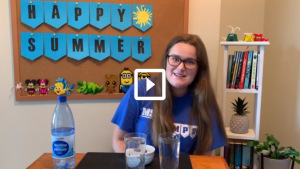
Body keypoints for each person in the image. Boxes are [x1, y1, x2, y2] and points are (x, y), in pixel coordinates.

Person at [111, 34, 227, 155]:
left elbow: (205, 155)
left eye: (190, 62)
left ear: (199, 68)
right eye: (175, 59)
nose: (181, 67)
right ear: (166, 60)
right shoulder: (141, 90)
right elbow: (119, 140)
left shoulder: (205, 99)